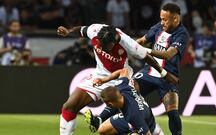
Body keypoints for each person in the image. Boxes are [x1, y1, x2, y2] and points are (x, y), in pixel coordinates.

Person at [57, 23, 178, 135]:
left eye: (106, 47)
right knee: (69, 106)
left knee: (133, 113)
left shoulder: (128, 43)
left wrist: (164, 74)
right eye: (101, 46)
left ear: (114, 42)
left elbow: (148, 58)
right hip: (99, 75)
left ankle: (152, 129)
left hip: (121, 78)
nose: (103, 49)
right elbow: (81, 30)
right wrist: (68, 31)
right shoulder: (94, 30)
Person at [135, 3, 189, 135]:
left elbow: (168, 54)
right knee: (126, 91)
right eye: (161, 18)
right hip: (148, 72)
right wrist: (128, 46)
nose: (162, 22)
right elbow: (142, 40)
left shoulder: (182, 34)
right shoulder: (158, 27)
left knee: (172, 111)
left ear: (175, 19)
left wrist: (144, 51)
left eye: (165, 19)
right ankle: (101, 120)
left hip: (167, 76)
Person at [89, 68, 164, 135]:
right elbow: (124, 71)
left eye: (106, 104)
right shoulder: (121, 87)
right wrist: (103, 80)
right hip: (141, 116)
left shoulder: (133, 115)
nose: (107, 106)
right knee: (103, 130)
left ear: (110, 103)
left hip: (148, 125)